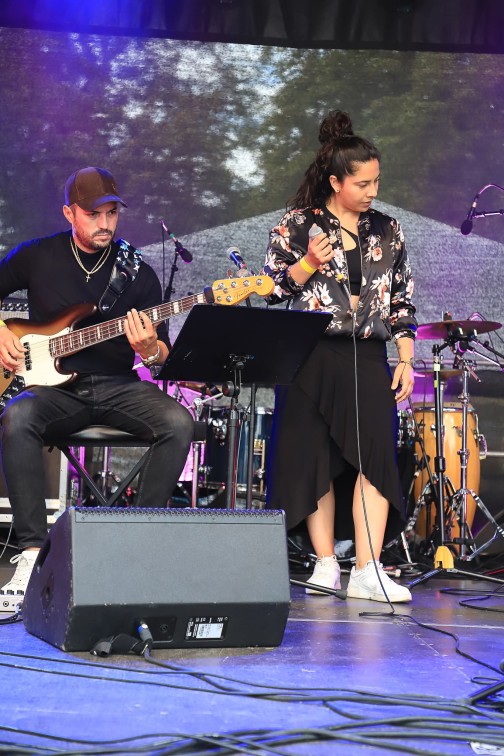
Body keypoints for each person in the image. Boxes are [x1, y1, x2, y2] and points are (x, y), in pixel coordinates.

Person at [0, 166, 194, 600]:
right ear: (69, 213)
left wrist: (149, 349)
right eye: (93, 214)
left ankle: (134, 544)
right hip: (55, 392)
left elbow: (161, 355)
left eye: (112, 213)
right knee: (18, 415)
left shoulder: (138, 273)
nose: (105, 223)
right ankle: (31, 553)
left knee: (178, 422)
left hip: (118, 386)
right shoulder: (37, 255)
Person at [262, 110, 417, 603]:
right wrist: (309, 262)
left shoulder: (388, 229)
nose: (372, 191)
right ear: (335, 181)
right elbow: (271, 290)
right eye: (362, 183)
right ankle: (325, 563)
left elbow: (401, 303)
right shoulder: (297, 225)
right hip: (309, 353)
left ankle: (369, 570)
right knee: (314, 458)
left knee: (375, 457)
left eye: (377, 182)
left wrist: (406, 358)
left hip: (367, 353)